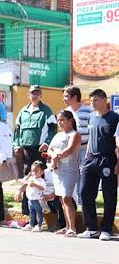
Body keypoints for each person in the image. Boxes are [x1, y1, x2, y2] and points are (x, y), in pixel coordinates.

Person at [78, 89, 118, 241]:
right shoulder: (90, 117)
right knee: (85, 193)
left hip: (108, 159)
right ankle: (91, 228)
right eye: (91, 101)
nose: (92, 103)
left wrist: (118, 162)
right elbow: (90, 139)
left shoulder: (114, 118)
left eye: (95, 100)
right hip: (91, 159)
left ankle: (106, 229)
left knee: (109, 195)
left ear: (103, 100)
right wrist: (86, 159)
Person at [13, 84, 58, 217]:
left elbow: (53, 129)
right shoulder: (23, 111)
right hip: (26, 151)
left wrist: (47, 143)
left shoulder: (47, 111)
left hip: (40, 151)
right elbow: (17, 131)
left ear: (41, 95)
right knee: (28, 178)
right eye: (32, 93)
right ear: (29, 95)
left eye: (37, 93)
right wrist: (16, 145)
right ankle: (27, 213)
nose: (35, 95)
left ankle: (46, 210)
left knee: (42, 179)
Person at [47, 110, 81, 237]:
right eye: (58, 120)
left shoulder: (74, 134)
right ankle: (67, 226)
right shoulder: (57, 135)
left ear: (70, 120)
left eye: (62, 120)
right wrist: (53, 155)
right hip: (57, 169)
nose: (60, 123)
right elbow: (50, 149)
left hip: (70, 169)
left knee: (67, 197)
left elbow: (69, 150)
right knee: (61, 198)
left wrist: (57, 156)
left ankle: (72, 227)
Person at [22, 161, 47, 232]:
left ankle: (39, 225)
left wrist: (35, 185)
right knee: (31, 213)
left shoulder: (41, 180)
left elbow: (43, 188)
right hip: (30, 200)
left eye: (36, 171)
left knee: (39, 213)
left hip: (37, 200)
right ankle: (31, 224)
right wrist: (28, 176)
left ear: (41, 172)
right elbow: (23, 181)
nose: (34, 172)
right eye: (33, 171)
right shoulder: (31, 179)